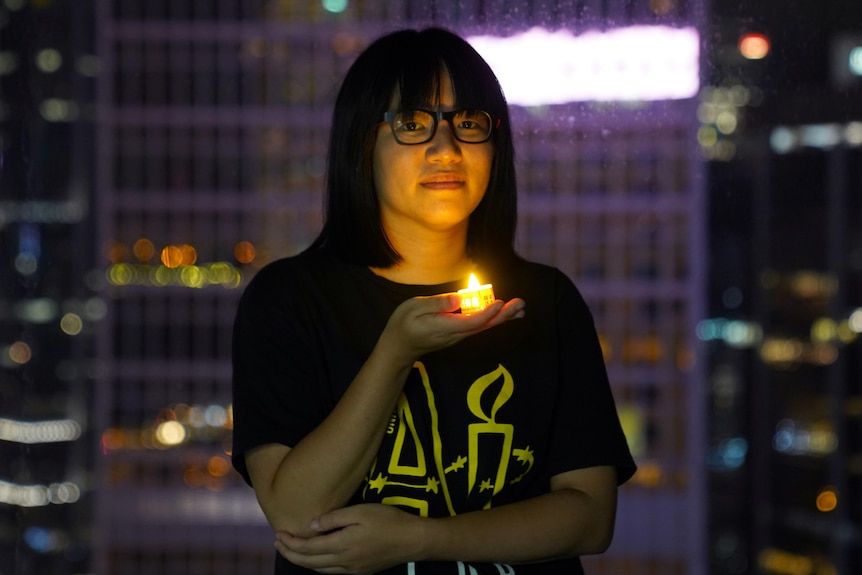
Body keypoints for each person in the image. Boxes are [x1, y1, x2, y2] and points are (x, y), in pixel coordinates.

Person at [231, 27, 636, 575]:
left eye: (468, 124)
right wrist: (396, 351)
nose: (446, 150)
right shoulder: (291, 300)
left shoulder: (547, 301)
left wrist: (423, 539)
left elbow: (591, 518)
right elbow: (295, 512)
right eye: (413, 124)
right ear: (361, 144)